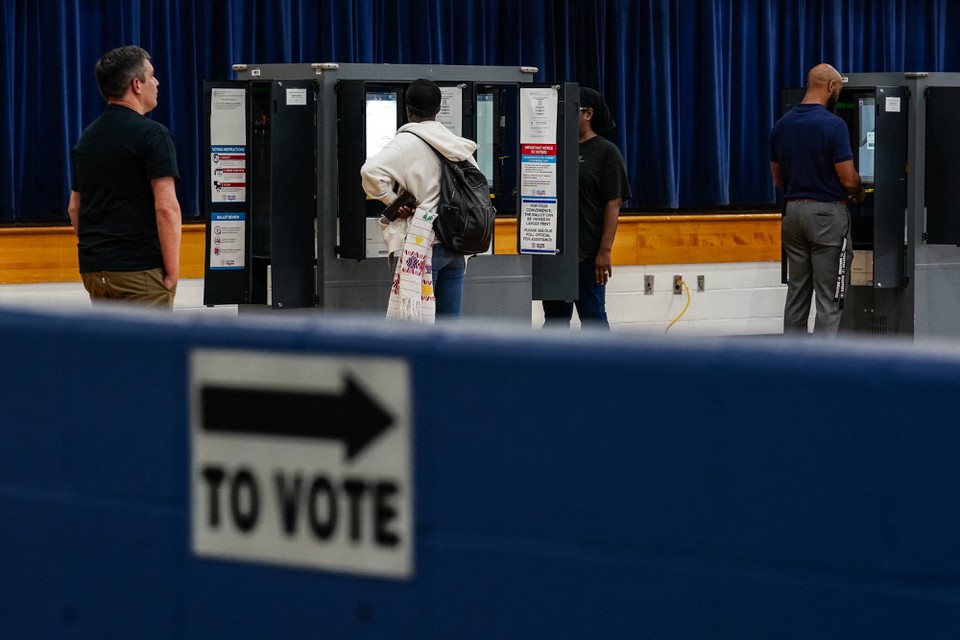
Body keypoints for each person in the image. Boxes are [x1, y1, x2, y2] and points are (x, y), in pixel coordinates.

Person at [68, 45, 182, 309]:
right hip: (140, 269)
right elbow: (166, 208)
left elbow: (75, 208)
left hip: (95, 271)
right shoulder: (153, 135)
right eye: (151, 75)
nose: (157, 82)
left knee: (112, 349)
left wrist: (98, 253)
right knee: (151, 350)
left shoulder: (87, 138)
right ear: (136, 85)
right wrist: (173, 270)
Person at [360, 78, 480, 322]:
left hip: (424, 242)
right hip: (456, 244)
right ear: (438, 109)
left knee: (417, 323)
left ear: (408, 108)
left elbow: (369, 171)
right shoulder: (454, 143)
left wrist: (392, 199)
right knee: (448, 327)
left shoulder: (406, 142)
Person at [770, 63, 865, 336]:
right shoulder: (833, 125)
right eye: (839, 89)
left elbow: (777, 178)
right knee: (830, 297)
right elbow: (848, 178)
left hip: (792, 216)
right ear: (831, 87)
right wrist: (858, 192)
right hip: (827, 217)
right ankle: (824, 367)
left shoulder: (781, 125)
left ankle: (795, 364)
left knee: (797, 293)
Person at [542, 87, 632, 330]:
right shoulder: (554, 148)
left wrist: (604, 251)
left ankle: (603, 367)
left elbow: (613, 203)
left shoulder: (606, 152)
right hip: (555, 252)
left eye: (570, 110)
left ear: (588, 114)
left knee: (592, 317)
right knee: (555, 320)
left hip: (588, 254)